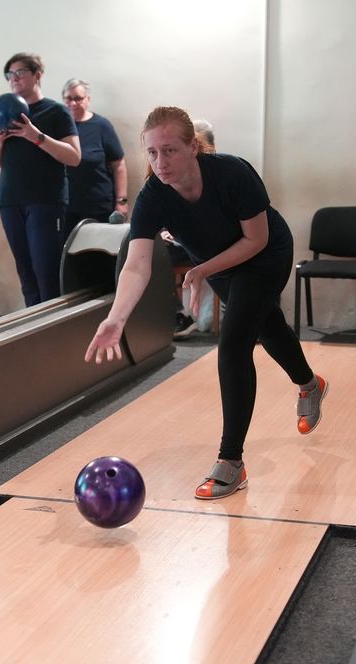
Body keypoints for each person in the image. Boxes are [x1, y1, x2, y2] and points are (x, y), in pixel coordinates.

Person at [85, 106, 327, 499]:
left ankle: (231, 463)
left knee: (233, 345)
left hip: (265, 255)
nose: (159, 162)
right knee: (267, 326)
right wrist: (116, 318)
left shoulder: (233, 173)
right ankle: (309, 384)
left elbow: (256, 240)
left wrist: (198, 272)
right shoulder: (153, 197)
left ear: (193, 147)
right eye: (151, 152)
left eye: (169, 151)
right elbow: (136, 266)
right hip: (219, 265)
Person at [0, 53, 81, 307]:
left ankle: (52, 335)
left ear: (37, 75)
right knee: (26, 274)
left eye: (19, 72)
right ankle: (31, 334)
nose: (13, 79)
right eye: (9, 75)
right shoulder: (6, 112)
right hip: (10, 201)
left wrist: (35, 135)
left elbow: (74, 157)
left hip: (45, 201)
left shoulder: (56, 111)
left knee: (46, 272)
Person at [168, 118, 217, 339]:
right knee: (150, 256)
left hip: (213, 243)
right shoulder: (171, 175)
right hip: (182, 241)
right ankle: (179, 314)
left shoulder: (220, 175)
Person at [61, 78, 128, 228]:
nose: (73, 103)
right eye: (68, 99)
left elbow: (119, 165)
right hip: (66, 208)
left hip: (99, 206)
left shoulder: (101, 125)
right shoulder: (58, 127)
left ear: (88, 99)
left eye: (78, 98)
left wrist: (122, 201)